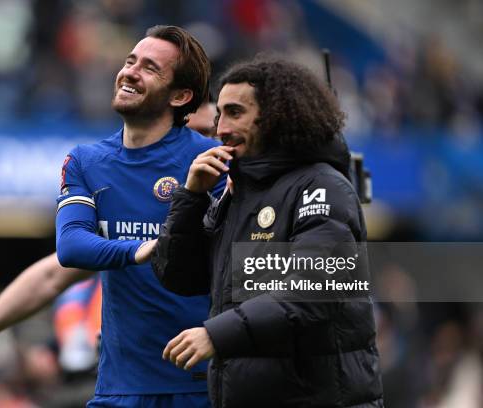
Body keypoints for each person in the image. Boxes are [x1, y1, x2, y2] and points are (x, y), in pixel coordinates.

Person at [0, 25, 224, 408]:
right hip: (119, 389)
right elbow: (65, 257)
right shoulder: (88, 161)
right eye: (130, 61)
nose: (130, 72)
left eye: (150, 68)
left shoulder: (212, 165)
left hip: (201, 387)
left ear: (181, 96)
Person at [152, 55, 384, 407]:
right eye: (219, 115)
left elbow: (313, 292)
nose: (220, 129)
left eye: (234, 113)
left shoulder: (322, 186)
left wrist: (216, 335)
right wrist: (192, 197)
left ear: (276, 115)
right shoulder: (238, 192)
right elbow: (180, 276)